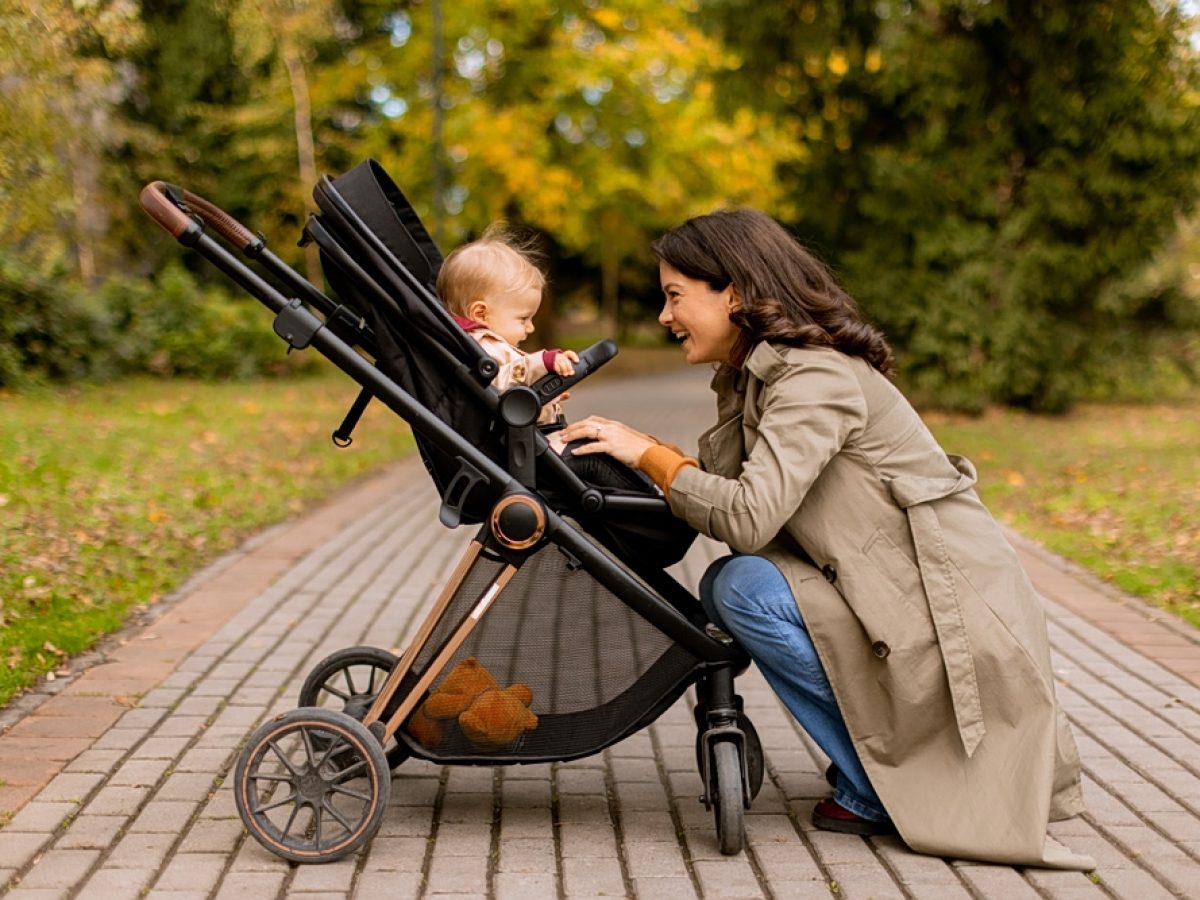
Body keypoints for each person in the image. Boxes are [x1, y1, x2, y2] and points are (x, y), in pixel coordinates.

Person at [560, 209, 1094, 869]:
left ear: (734, 290)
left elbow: (748, 515)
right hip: (889, 591)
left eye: (675, 295)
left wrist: (650, 456)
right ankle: (882, 769)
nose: (666, 315)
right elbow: (720, 489)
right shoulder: (755, 373)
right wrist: (643, 455)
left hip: (938, 611)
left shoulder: (815, 377)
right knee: (740, 582)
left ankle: (883, 786)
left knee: (742, 587)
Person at [437, 226, 579, 446]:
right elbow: (500, 382)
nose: (530, 328)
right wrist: (542, 362)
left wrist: (547, 389)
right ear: (480, 313)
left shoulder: (485, 345)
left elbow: (512, 384)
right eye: (523, 319)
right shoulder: (481, 346)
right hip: (525, 444)